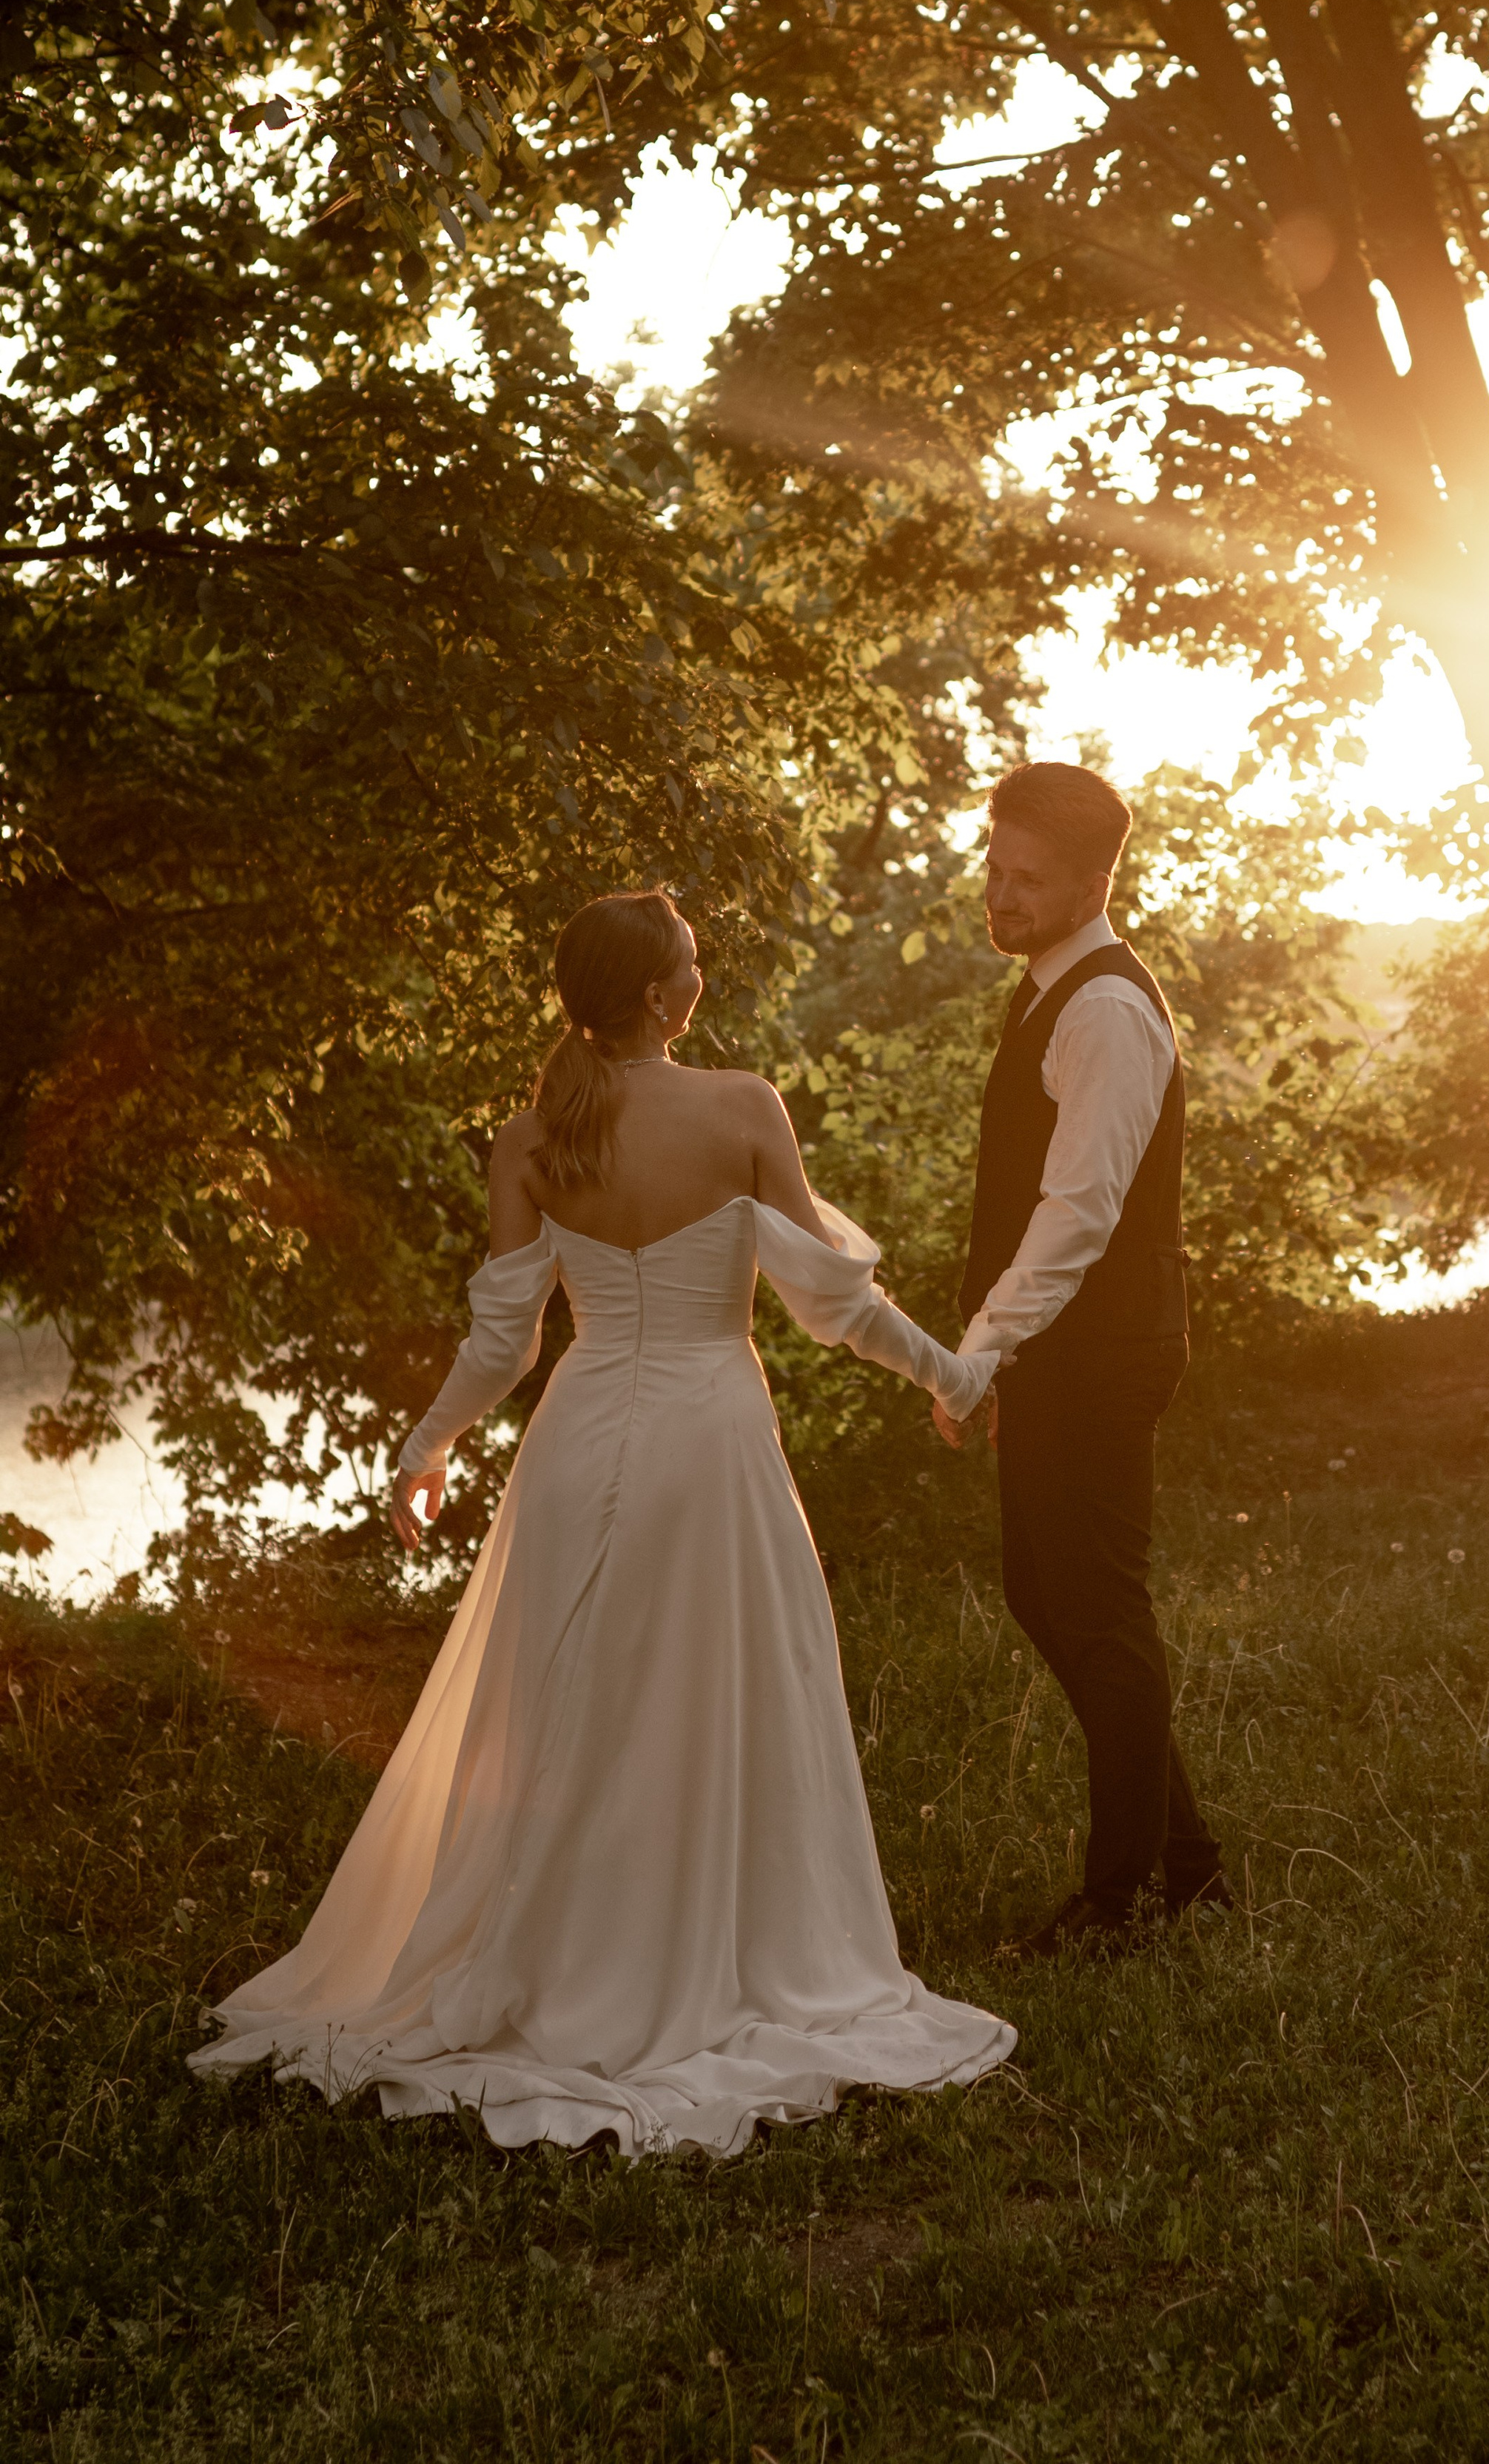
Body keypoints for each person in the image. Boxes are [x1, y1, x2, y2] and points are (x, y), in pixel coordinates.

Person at [191, 890, 1014, 2157]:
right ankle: (689, 1955)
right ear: (657, 996)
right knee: (708, 1697)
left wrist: (429, 1445)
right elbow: (836, 1308)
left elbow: (502, 1343)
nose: (704, 969)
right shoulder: (744, 1109)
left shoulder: (529, 1140)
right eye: (692, 957)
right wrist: (952, 1378)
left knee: (562, 1703)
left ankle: (550, 1952)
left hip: (577, 1442)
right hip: (708, 1442)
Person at [936, 761, 1228, 1956]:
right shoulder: (1052, 987)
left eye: (1026, 880)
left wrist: (980, 1349)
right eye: (993, 869)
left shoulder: (1105, 1007)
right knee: (1045, 1594)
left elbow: (1078, 1214)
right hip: (1061, 1348)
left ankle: (1125, 1901)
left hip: (1097, 1347)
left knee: (1099, 1611)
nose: (998, 898)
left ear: (1095, 881)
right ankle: (1189, 1864)